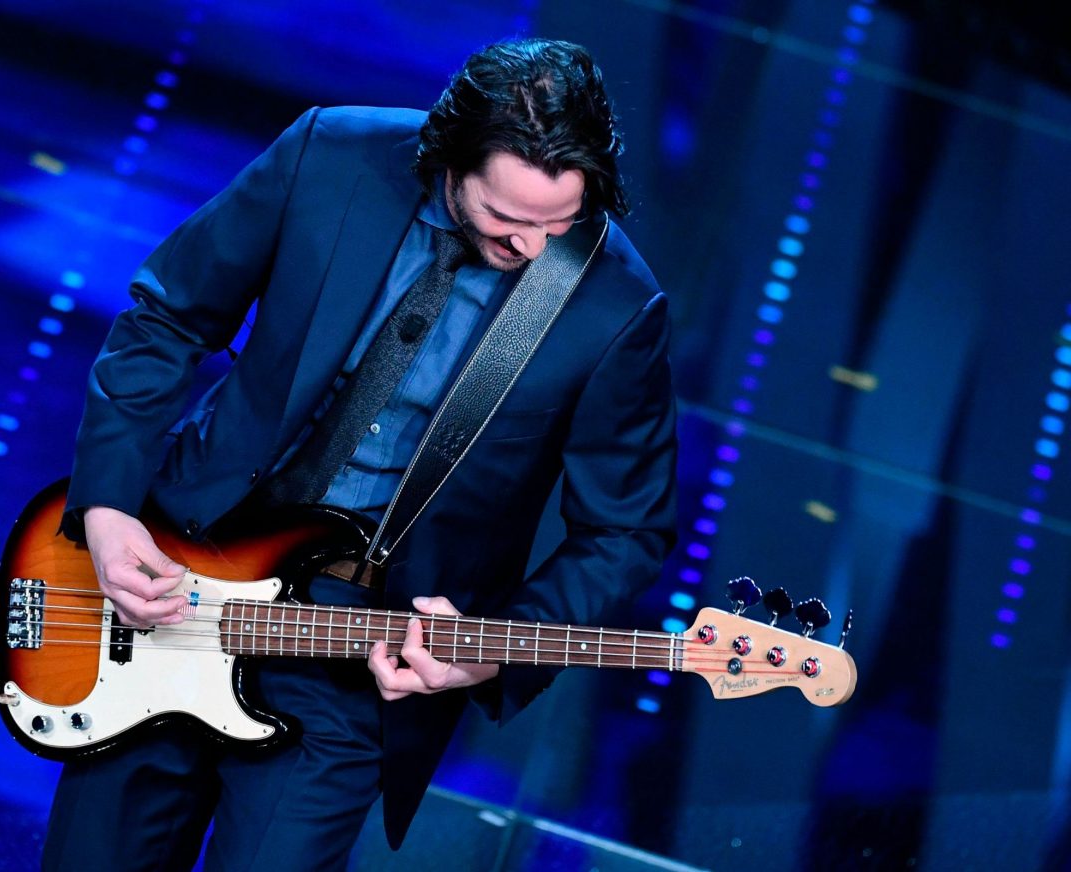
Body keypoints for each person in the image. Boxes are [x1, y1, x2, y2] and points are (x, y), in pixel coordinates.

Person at [43, 37, 677, 871]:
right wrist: (109, 506)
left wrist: (497, 645)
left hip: (359, 651)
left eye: (557, 225)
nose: (532, 248)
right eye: (506, 218)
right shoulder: (329, 153)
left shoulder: (616, 306)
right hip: (179, 572)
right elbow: (168, 316)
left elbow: (625, 532)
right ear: (449, 159)